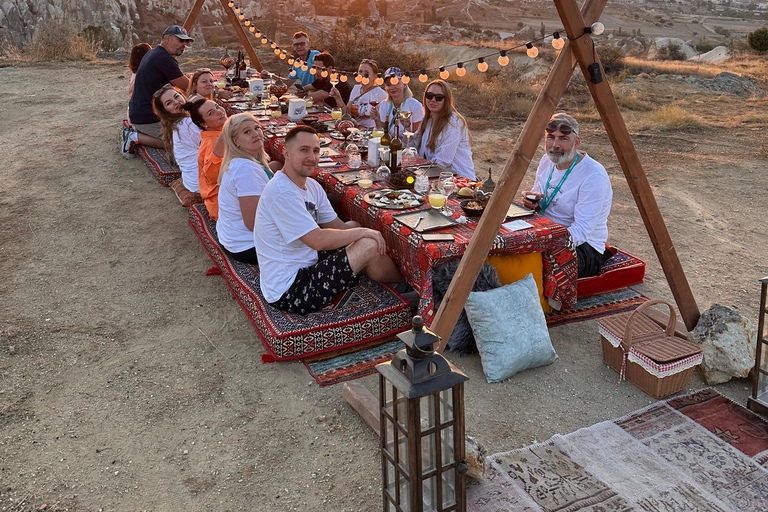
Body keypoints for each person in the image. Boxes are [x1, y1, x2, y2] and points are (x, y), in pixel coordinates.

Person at [254, 126, 404, 315]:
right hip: (291, 289)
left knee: (354, 227)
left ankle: (378, 273)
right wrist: (365, 234)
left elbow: (339, 228)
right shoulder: (281, 192)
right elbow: (317, 241)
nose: (312, 157)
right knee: (367, 244)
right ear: (286, 152)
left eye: (316, 151)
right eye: (304, 150)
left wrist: (357, 232)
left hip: (306, 264)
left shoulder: (311, 186)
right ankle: (405, 288)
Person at [521, 113, 613, 278]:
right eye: (551, 137)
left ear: (576, 142)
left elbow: (582, 230)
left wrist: (547, 242)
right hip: (546, 232)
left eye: (563, 139)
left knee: (534, 265)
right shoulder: (546, 161)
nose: (555, 145)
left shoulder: (593, 175)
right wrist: (534, 202)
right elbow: (542, 196)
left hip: (584, 247)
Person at [216, 113, 277, 265]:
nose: (255, 134)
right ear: (235, 141)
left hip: (234, 237)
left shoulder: (248, 159)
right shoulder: (246, 170)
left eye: (257, 128)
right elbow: (253, 223)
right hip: (248, 246)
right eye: (247, 132)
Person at [124, 25, 192, 151]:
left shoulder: (154, 53)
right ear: (167, 38)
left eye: (186, 41)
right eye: (180, 40)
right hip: (148, 117)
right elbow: (188, 86)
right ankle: (133, 136)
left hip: (141, 110)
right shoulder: (162, 58)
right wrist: (215, 92)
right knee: (182, 143)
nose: (184, 44)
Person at [414, 80, 475, 179]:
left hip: (460, 180)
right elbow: (414, 145)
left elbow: (443, 160)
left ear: (446, 100)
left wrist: (419, 173)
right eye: (429, 95)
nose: (433, 100)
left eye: (438, 98)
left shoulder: (453, 122)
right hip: (437, 175)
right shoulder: (428, 120)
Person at [152, 84, 201, 193]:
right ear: (165, 111)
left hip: (191, 181)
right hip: (201, 183)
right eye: (169, 103)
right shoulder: (188, 125)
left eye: (176, 96)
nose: (176, 102)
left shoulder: (175, 124)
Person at [186, 98, 229, 220]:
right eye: (211, 113)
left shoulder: (219, 133)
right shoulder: (213, 143)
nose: (219, 111)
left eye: (217, 106)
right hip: (222, 204)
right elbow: (212, 176)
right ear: (204, 124)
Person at [329, 59, 386, 128]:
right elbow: (347, 113)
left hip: (370, 131)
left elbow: (384, 121)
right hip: (355, 129)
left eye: (366, 73)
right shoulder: (356, 88)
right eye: (360, 72)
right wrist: (338, 98)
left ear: (374, 76)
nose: (362, 75)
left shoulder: (380, 93)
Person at [374, 67, 424, 138]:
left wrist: (407, 127)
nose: (392, 87)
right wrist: (377, 119)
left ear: (404, 84)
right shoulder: (384, 104)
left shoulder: (416, 106)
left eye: (395, 83)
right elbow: (382, 132)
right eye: (388, 84)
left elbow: (418, 138)